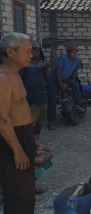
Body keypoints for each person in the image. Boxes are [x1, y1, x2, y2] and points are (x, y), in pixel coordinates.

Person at [0, 33, 35, 213]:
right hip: (12, 140)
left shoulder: (16, 75)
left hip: (23, 134)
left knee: (26, 191)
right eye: (27, 51)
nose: (31, 55)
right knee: (17, 193)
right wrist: (18, 150)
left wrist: (32, 138)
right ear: (10, 52)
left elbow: (20, 108)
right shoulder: (3, 78)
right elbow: (2, 118)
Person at [19, 40, 51, 136]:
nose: (36, 52)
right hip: (31, 99)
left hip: (42, 97)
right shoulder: (24, 65)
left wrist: (46, 69)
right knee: (30, 122)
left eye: (37, 50)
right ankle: (31, 143)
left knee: (39, 122)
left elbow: (47, 79)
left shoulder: (41, 62)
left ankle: (37, 141)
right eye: (33, 50)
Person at [47, 44, 84, 125]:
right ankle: (51, 121)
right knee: (53, 98)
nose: (74, 54)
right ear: (68, 53)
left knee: (75, 84)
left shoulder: (77, 60)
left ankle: (77, 105)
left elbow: (75, 71)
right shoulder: (63, 58)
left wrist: (70, 82)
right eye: (72, 52)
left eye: (75, 52)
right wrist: (61, 84)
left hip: (65, 79)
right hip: (54, 80)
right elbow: (58, 72)